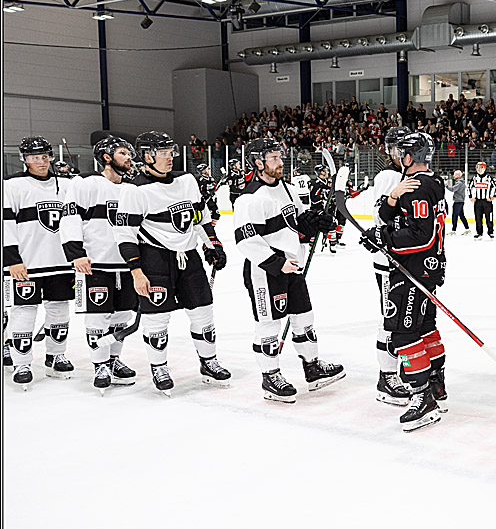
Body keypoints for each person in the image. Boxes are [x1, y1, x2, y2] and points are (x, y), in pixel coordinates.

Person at [113, 131, 230, 394]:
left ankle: (209, 362)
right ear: (146, 156)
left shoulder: (186, 180)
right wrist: (136, 271)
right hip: (154, 259)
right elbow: (124, 235)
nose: (169, 158)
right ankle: (159, 367)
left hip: (189, 257)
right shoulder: (134, 189)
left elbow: (200, 217)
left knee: (203, 313)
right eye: (163, 153)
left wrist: (213, 245)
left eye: (170, 153)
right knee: (157, 318)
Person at [233, 138, 344, 403]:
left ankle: (312, 368)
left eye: (279, 157)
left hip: (292, 266)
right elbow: (246, 240)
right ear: (258, 163)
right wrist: (276, 263)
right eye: (273, 158)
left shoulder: (287, 189)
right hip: (266, 271)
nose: (280, 162)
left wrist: (317, 223)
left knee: (304, 318)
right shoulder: (249, 199)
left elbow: (298, 224)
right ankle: (270, 376)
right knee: (269, 325)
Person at [359, 132, 449, 432]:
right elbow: (391, 216)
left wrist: (381, 238)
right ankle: (436, 385)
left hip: (413, 270)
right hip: (429, 268)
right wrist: (392, 198)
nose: (397, 156)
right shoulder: (432, 183)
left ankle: (421, 396)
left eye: (402, 152)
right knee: (425, 329)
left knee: (402, 334)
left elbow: (419, 236)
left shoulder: (418, 189)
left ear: (411, 156)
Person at [60, 136, 140, 393]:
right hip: (94, 264)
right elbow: (70, 217)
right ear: (106, 157)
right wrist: (75, 252)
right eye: (122, 153)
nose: (129, 157)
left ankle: (114, 361)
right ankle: (100, 365)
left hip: (126, 264)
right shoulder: (85, 183)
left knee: (122, 316)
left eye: (129, 153)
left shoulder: (132, 188)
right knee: (97, 317)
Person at [3, 137, 76, 388]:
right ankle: (21, 363)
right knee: (24, 312)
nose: (41, 162)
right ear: (25, 159)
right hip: (26, 263)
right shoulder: (11, 185)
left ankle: (56, 356)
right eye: (35, 158)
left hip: (60, 262)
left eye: (45, 156)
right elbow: (6, 224)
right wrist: (12, 260)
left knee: (59, 309)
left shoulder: (65, 185)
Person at [369, 126, 413, 406]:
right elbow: (380, 215)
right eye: (401, 148)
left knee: (403, 320)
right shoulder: (389, 176)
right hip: (388, 260)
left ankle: (399, 369)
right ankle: (386, 378)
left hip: (401, 258)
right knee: (391, 319)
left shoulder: (404, 175)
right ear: (391, 150)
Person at [469, 161, 496, 239]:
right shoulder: (474, 178)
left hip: (487, 202)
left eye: (481, 167)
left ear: (485, 168)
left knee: (489, 217)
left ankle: (490, 232)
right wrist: (470, 196)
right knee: (478, 218)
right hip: (478, 201)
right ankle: (479, 233)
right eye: (477, 168)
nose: (479, 169)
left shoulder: (489, 178)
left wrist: (494, 196)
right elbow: (469, 187)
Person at [449, 170, 470, 234]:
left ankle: (453, 230)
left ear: (458, 175)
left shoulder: (459, 183)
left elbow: (453, 189)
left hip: (458, 201)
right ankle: (467, 229)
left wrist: (446, 185)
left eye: (454, 175)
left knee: (455, 215)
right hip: (460, 201)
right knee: (461, 215)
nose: (453, 176)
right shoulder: (461, 182)